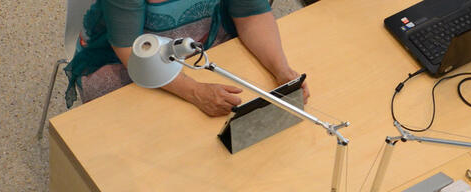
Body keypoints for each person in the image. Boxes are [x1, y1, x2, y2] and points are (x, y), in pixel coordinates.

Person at [64, 0, 309, 116]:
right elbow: (129, 49)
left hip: (201, 47)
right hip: (133, 60)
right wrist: (194, 92)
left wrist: (281, 70)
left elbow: (252, 15)